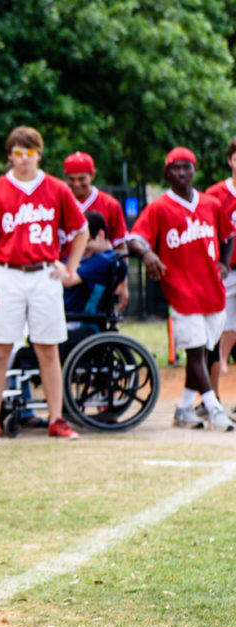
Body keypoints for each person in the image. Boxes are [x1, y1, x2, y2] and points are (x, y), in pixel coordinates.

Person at [0, 125, 88, 442]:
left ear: (40, 154)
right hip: (7, 273)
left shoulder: (55, 188)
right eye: (18, 153)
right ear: (10, 156)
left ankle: (57, 419)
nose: (24, 159)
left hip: (44, 272)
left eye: (30, 152)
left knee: (48, 349)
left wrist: (70, 268)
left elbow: (81, 230)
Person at [128, 147, 235, 432]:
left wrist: (224, 263)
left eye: (186, 167)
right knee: (196, 351)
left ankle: (184, 408)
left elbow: (229, 235)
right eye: (175, 168)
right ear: (167, 173)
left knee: (201, 350)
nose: (181, 173)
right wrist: (148, 254)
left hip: (211, 289)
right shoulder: (159, 207)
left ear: (193, 170)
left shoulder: (210, 204)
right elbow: (135, 238)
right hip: (180, 289)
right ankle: (213, 409)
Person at [61, 152, 129, 310]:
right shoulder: (58, 202)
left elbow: (120, 246)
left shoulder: (109, 204)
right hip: (65, 273)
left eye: (81, 178)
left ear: (92, 175)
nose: (76, 183)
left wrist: (122, 284)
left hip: (96, 279)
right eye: (71, 179)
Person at [203, 136, 236, 389]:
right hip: (226, 271)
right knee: (215, 328)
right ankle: (211, 396)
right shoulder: (215, 195)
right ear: (230, 160)